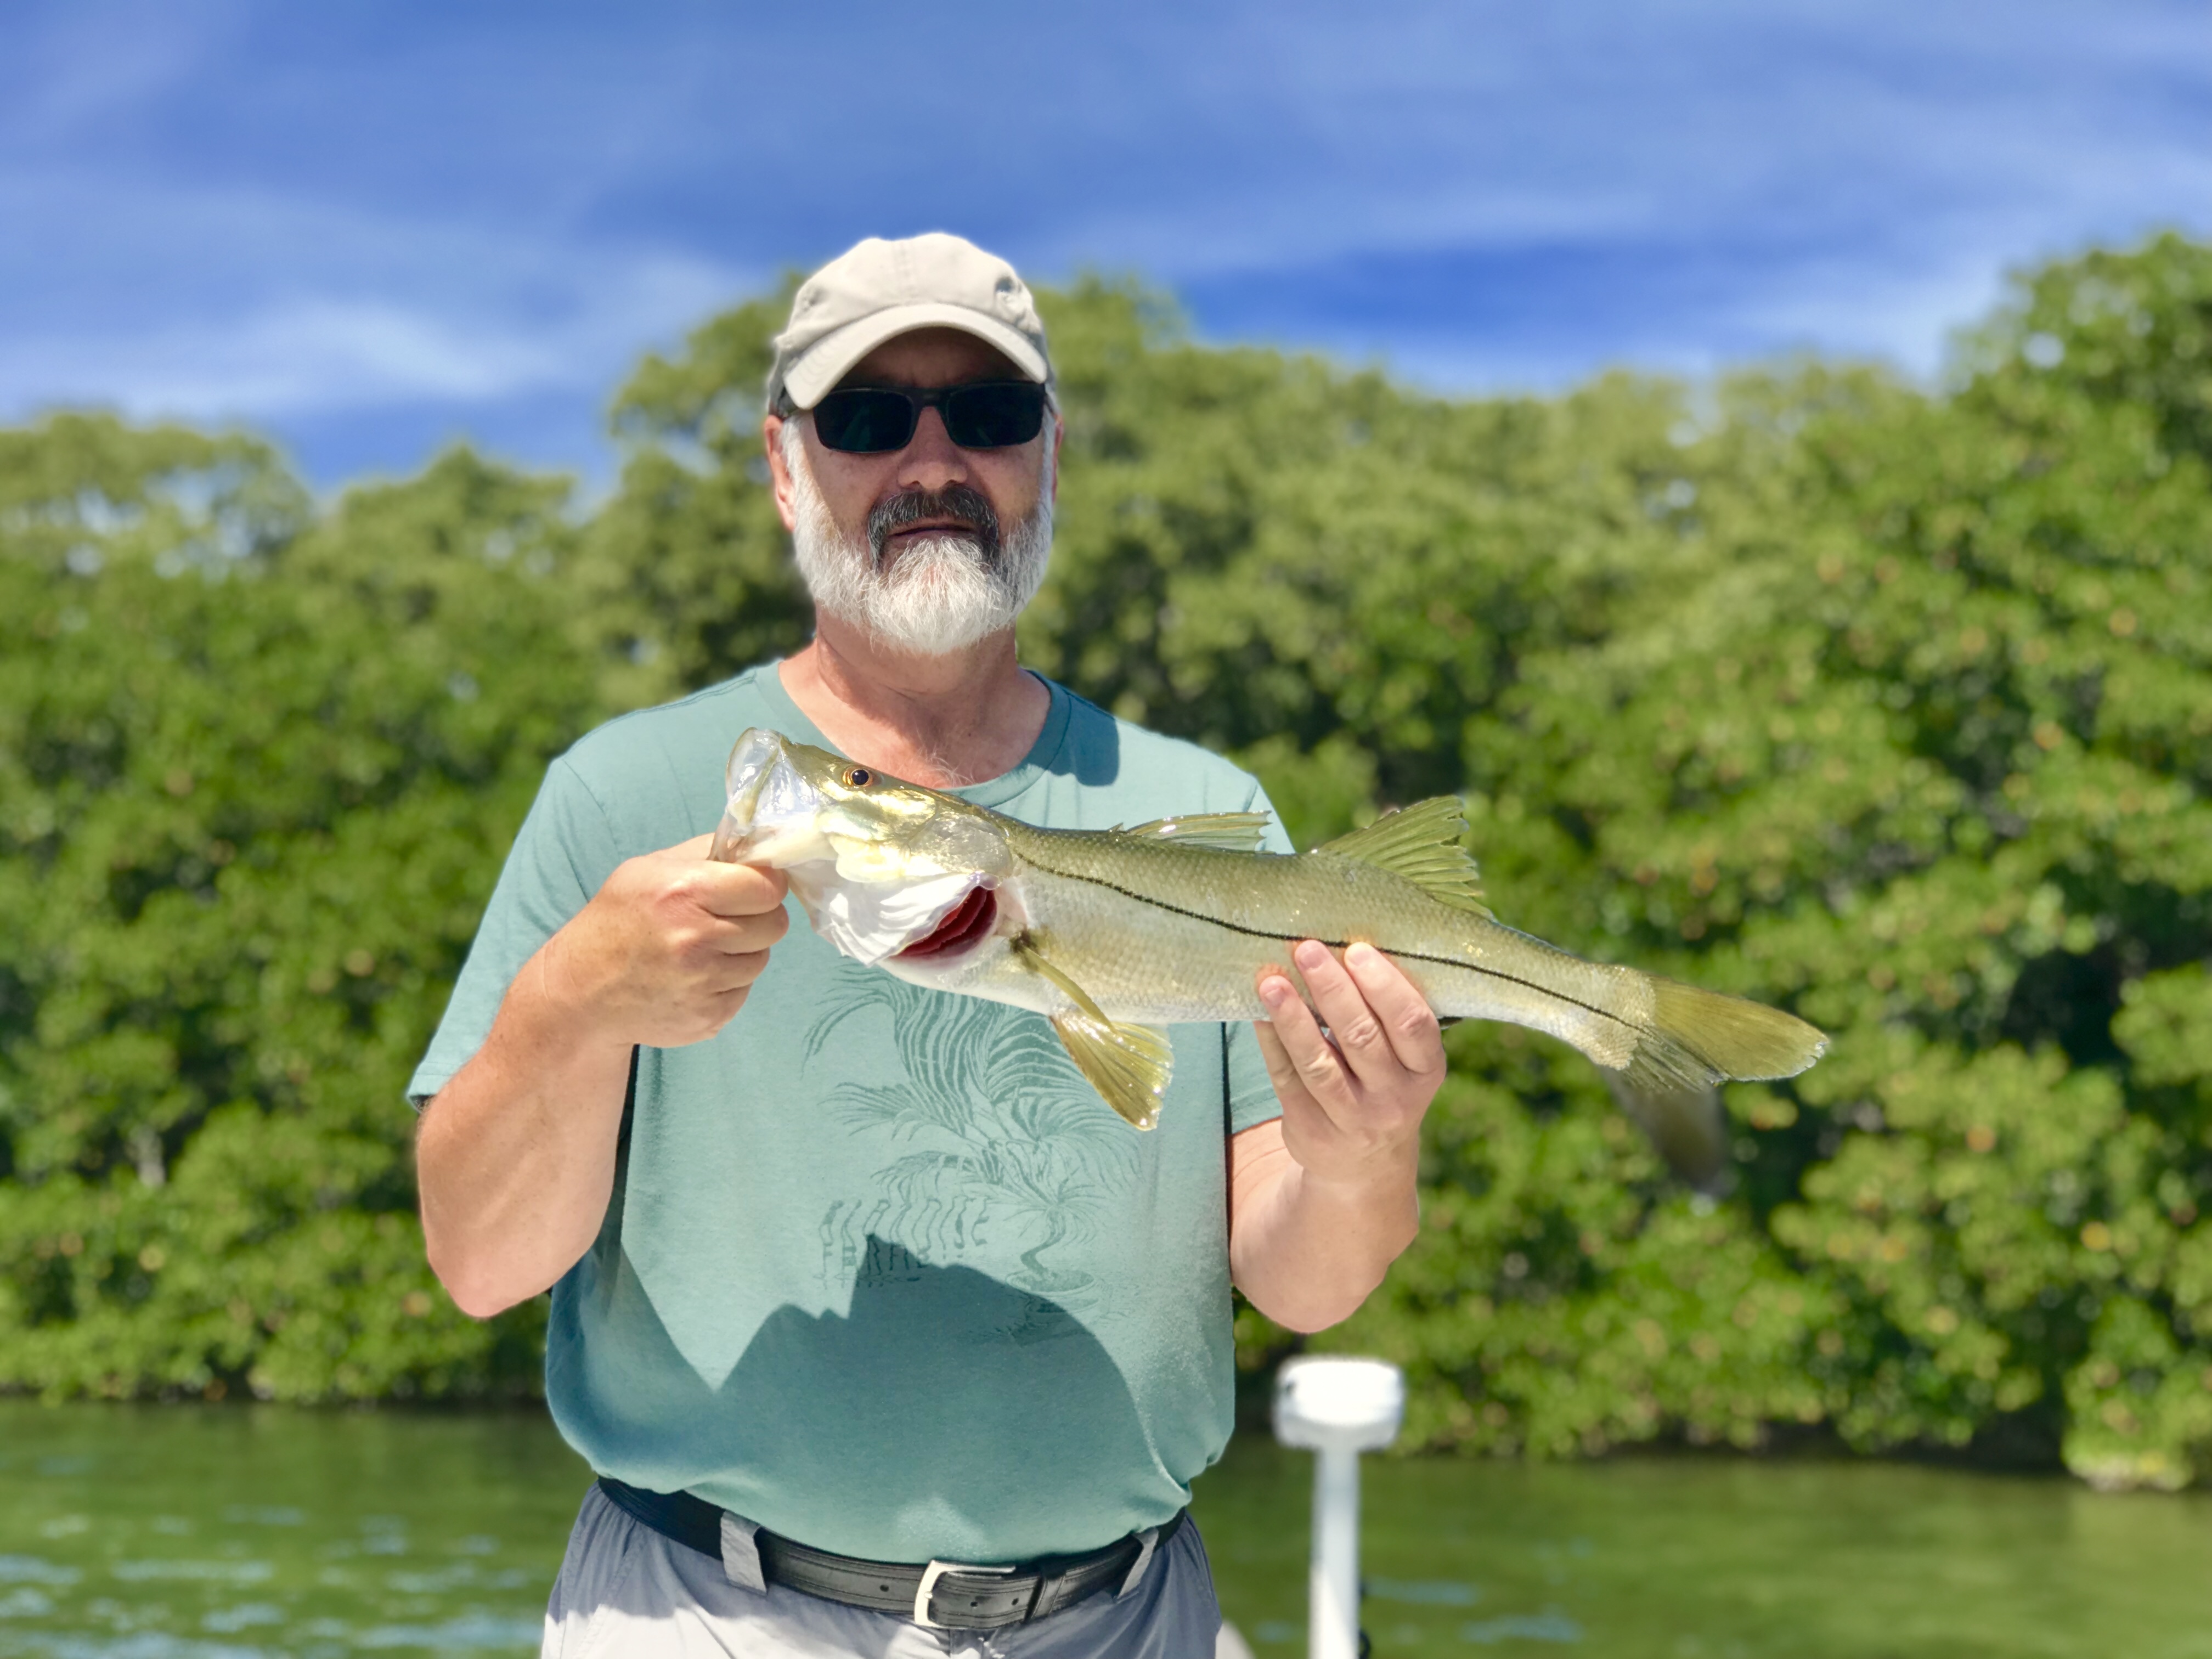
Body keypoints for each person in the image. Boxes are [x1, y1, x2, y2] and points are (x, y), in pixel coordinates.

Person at [411, 233, 1447, 1658]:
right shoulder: (622, 790)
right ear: (786, 467)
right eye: (866, 419)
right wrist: (571, 1006)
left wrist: (1362, 1145)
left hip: (1130, 1615)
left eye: (989, 414)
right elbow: (478, 1265)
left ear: (1050, 458)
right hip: (698, 1614)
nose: (933, 459)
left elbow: (1308, 1277)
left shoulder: (1209, 818)